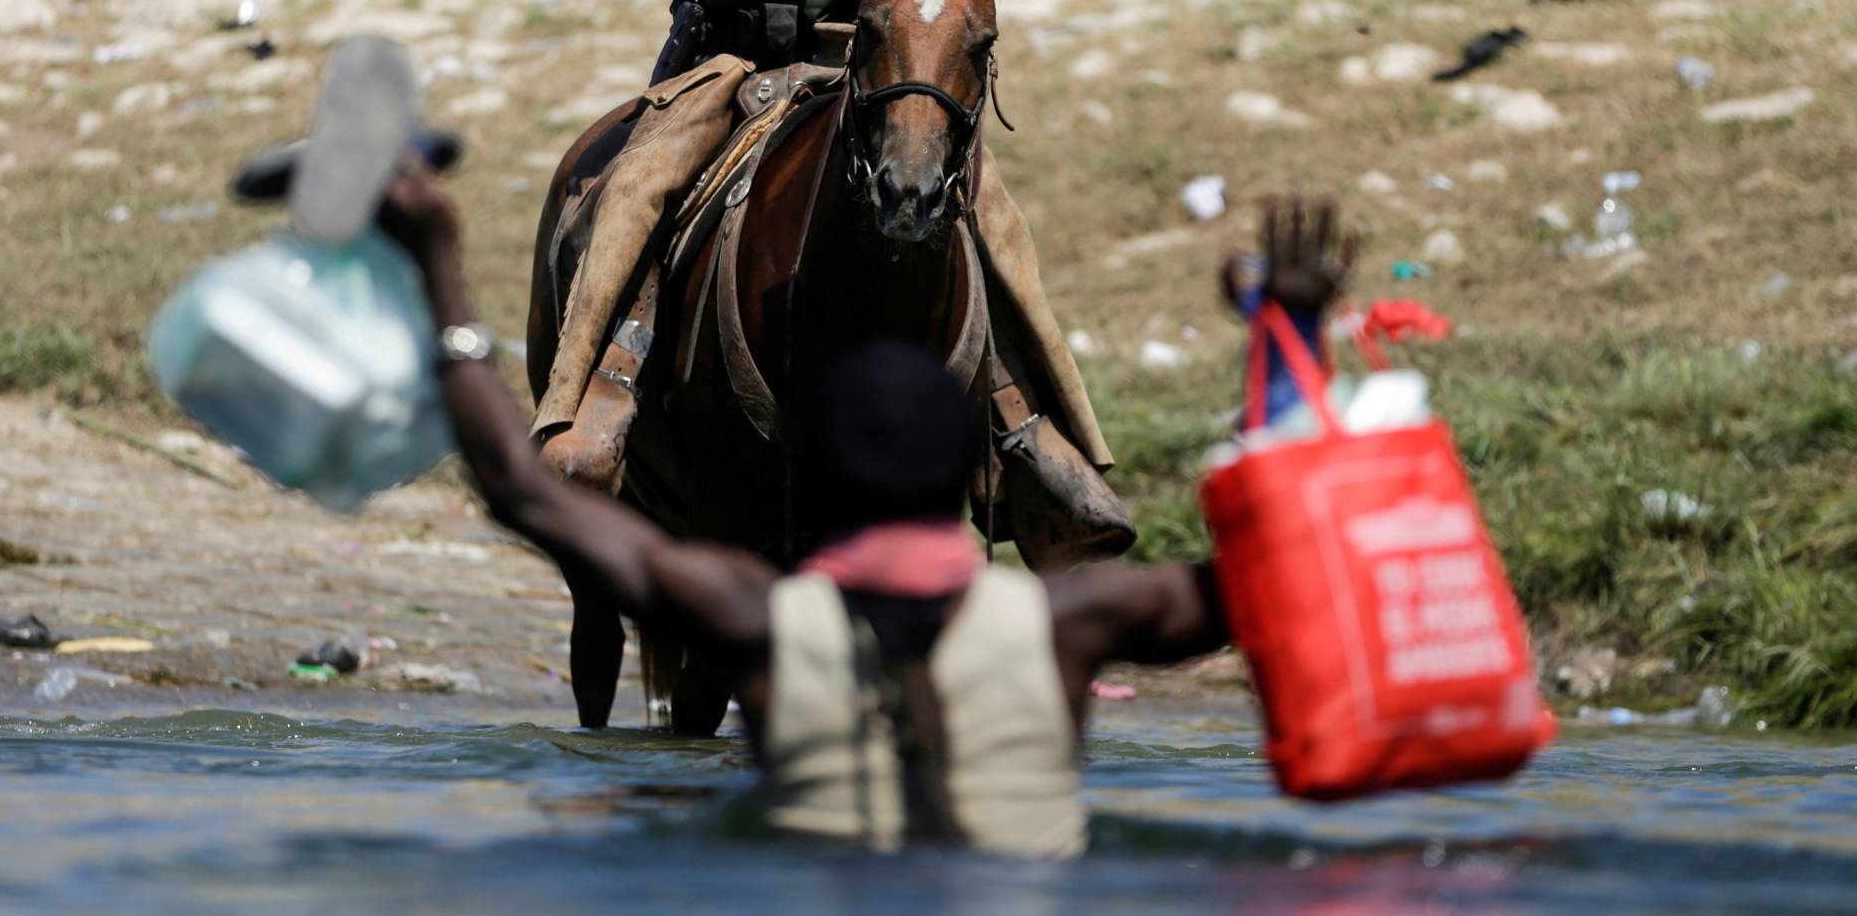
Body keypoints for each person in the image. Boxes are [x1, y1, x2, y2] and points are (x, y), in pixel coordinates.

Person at [378, 151, 1359, 856]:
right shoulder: (1075, 617)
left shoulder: (751, 616)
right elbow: (1285, 568)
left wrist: (433, 261)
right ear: (956, 476)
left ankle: (591, 391)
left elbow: (518, 490)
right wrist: (1292, 348)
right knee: (644, 174)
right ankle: (1029, 426)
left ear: (827, 475)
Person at [539, 0, 1118, 560]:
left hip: (850, 69)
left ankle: (1034, 433)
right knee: (639, 184)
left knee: (987, 211)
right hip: (725, 68)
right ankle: (590, 399)